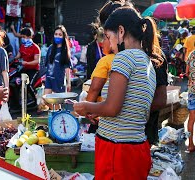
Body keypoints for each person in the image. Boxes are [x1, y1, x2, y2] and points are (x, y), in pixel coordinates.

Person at [74, 7, 162, 179]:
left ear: (121, 31)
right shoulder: (146, 61)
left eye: (108, 37)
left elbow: (112, 107)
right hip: (137, 148)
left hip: (117, 151)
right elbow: (129, 109)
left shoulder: (124, 58)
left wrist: (85, 106)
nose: (110, 45)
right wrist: (97, 109)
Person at [44, 25, 71, 108]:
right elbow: (47, 64)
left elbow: (67, 68)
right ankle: (57, 113)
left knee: (57, 102)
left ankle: (58, 116)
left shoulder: (65, 50)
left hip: (59, 79)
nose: (57, 36)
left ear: (63, 37)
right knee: (45, 100)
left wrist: (68, 82)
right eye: (56, 34)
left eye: (60, 35)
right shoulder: (50, 48)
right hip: (49, 78)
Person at [14, 27, 41, 107]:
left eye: (24, 37)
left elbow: (37, 61)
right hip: (24, 68)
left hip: (34, 70)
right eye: (22, 37)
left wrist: (27, 63)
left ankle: (37, 101)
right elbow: (18, 56)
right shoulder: (22, 46)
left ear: (30, 37)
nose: (23, 39)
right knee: (16, 82)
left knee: (29, 84)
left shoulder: (35, 48)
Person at [186, 50, 195, 153]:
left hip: (192, 90)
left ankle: (190, 145)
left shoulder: (192, 54)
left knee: (191, 118)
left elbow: (187, 72)